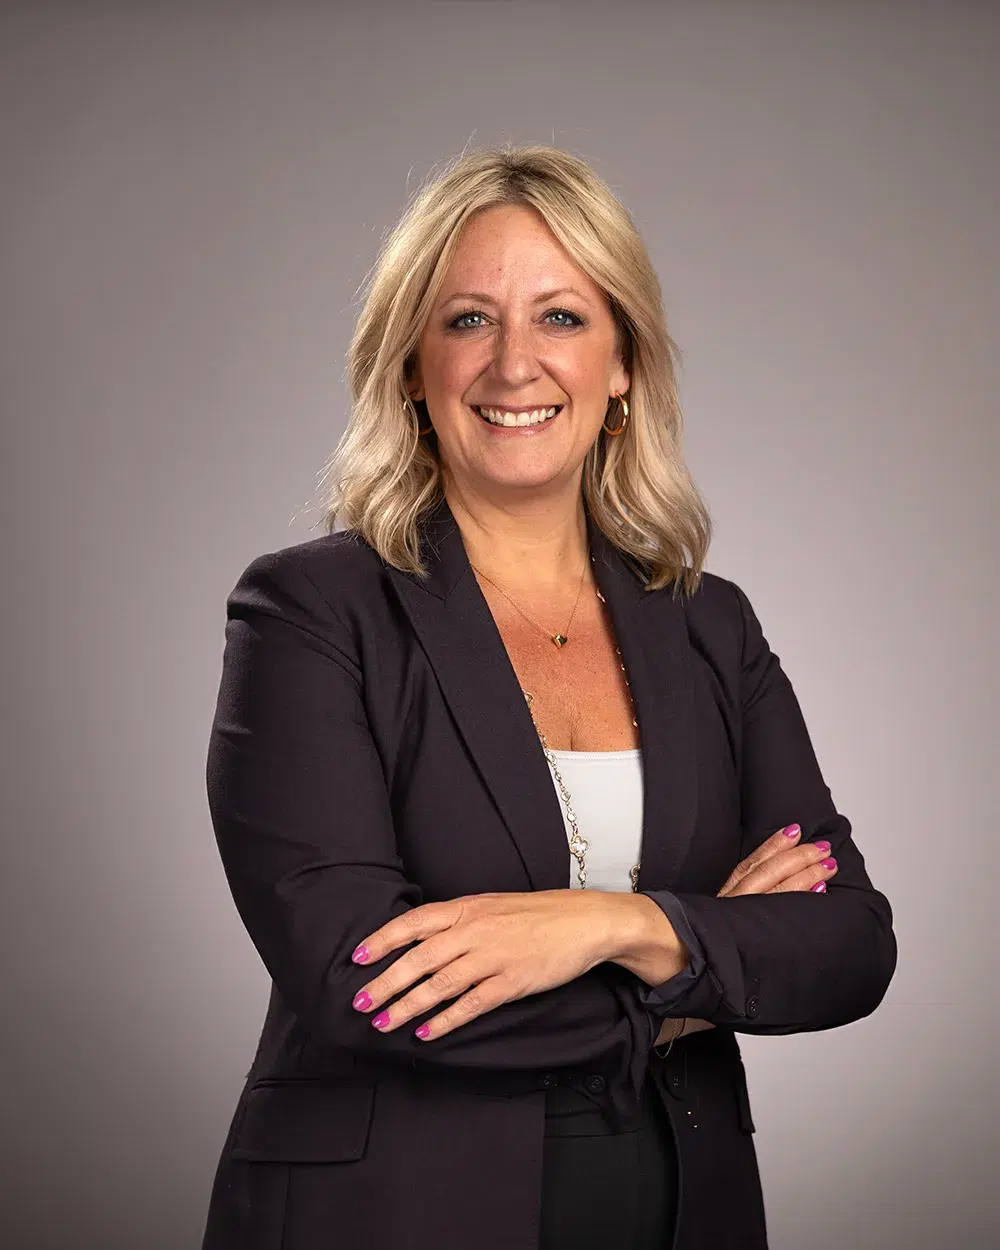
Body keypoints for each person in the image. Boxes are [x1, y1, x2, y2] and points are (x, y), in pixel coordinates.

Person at [200, 143, 896, 1250]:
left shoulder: (709, 623)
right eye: (468, 318)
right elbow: (361, 979)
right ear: (410, 367)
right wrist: (696, 975)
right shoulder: (310, 611)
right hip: (391, 1212)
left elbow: (848, 940)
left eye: (563, 318)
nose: (514, 364)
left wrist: (610, 923)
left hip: (681, 1200)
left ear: (622, 362)